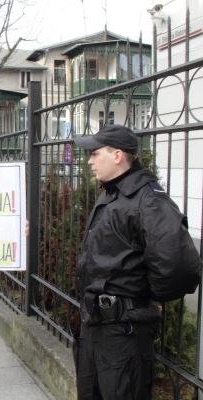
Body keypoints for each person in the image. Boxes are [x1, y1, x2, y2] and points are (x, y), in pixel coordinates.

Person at [72, 124, 202, 400]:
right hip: (95, 329)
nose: (90, 161)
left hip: (124, 333)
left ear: (117, 155)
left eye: (95, 154)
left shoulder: (149, 201)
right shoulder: (111, 193)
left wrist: (141, 298)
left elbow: (180, 266)